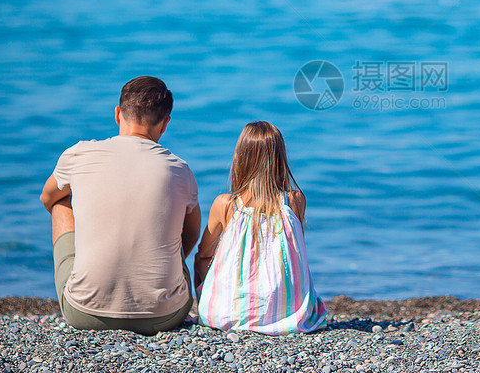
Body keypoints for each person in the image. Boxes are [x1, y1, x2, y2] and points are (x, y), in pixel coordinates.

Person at [39, 76, 201, 335]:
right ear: (165, 123)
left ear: (117, 114)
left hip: (84, 313)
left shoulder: (78, 154)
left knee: (61, 203)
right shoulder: (180, 170)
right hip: (165, 314)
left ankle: (89, 277)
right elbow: (190, 234)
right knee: (174, 217)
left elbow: (46, 199)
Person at [194, 121, 327, 335]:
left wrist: (204, 296)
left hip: (228, 315)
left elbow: (203, 256)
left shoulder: (226, 205)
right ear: (280, 159)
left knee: (203, 257)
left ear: (240, 158)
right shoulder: (295, 201)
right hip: (289, 315)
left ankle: (212, 306)